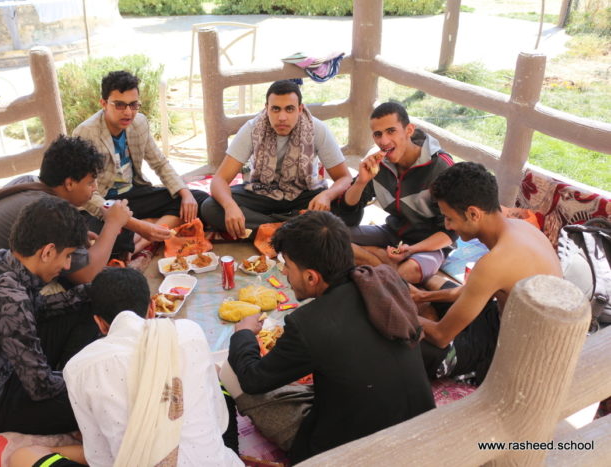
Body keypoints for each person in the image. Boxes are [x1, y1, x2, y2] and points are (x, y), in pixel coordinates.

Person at [226, 211, 435, 464]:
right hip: (421, 427)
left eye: (287, 266)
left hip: (353, 452)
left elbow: (253, 380)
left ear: (311, 277)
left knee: (232, 371)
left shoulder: (308, 323)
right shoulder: (387, 280)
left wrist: (244, 333)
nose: (286, 274)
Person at [0, 197, 95, 439]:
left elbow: (37, 308)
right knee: (97, 399)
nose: (67, 266)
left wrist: (91, 291)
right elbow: (40, 387)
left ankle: (69, 371)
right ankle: (74, 375)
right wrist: (86, 380)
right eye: (67, 256)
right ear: (47, 252)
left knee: (86, 305)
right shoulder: (9, 299)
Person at [63, 267, 242, 467]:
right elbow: (219, 420)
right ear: (152, 308)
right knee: (218, 374)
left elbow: (100, 459)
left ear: (100, 323)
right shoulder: (189, 333)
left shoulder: (79, 368)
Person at [418, 162, 562, 383]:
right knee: (435, 290)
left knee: (402, 349)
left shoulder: (496, 262)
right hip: (503, 318)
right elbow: (470, 291)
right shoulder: (523, 228)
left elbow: (440, 336)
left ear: (473, 213)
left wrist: (399, 310)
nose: (447, 226)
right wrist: (422, 296)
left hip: (515, 352)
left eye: (449, 218)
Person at [0, 134, 131, 285]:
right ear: (69, 184)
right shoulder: (51, 211)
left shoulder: (27, 182)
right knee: (80, 291)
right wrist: (113, 224)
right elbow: (86, 275)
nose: (95, 188)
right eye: (90, 182)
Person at [73, 70, 208, 254]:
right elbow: (88, 195)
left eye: (133, 105)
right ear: (103, 103)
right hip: (102, 202)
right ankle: (150, 226)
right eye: (119, 105)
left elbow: (159, 163)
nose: (128, 112)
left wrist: (185, 194)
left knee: (197, 201)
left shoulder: (139, 122)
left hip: (132, 194)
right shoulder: (86, 133)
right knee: (111, 242)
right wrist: (137, 225)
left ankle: (144, 238)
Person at [200, 80, 352, 239]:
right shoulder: (252, 129)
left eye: (289, 109)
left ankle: (271, 229)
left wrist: (327, 195)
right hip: (263, 192)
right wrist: (230, 206)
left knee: (350, 210)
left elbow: (344, 177)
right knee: (211, 207)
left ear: (300, 109)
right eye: (275, 109)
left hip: (304, 192)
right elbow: (219, 180)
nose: (282, 117)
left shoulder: (317, 129)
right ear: (267, 108)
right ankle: (294, 229)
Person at [338, 102, 457, 284]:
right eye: (378, 134)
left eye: (391, 131)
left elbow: (451, 233)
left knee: (409, 271)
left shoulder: (441, 167)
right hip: (391, 233)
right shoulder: (379, 163)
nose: (384, 141)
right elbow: (348, 211)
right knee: (331, 236)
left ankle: (378, 262)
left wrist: (412, 250)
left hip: (429, 243)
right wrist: (361, 182)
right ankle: (383, 262)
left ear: (409, 130)